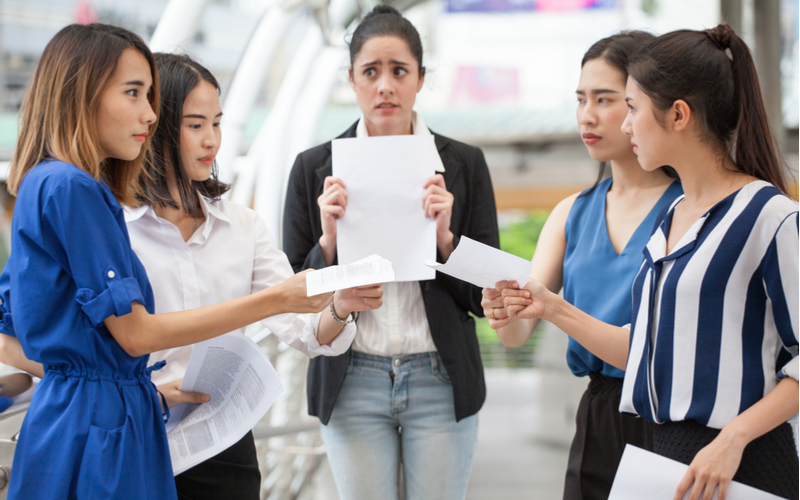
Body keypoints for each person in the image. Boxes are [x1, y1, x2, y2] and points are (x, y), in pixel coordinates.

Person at [0, 23, 340, 500]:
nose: (149, 114)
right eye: (135, 93)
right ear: (83, 92)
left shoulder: (43, 183)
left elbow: (30, 328)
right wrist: (274, 300)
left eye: (217, 123)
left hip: (90, 415)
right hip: (107, 423)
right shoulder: (78, 190)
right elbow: (135, 334)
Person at [502, 24, 798, 500]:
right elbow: (644, 351)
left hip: (742, 463)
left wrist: (734, 438)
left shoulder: (770, 215)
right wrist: (549, 307)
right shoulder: (673, 221)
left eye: (631, 107)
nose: (621, 124)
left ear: (678, 115)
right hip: (667, 454)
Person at [126, 52, 382, 500]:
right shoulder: (116, 227)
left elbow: (304, 331)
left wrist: (341, 307)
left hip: (222, 445)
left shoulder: (242, 227)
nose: (212, 141)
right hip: (139, 434)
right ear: (157, 126)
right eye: (195, 124)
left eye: (217, 123)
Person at [282, 5, 499, 499]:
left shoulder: (463, 165)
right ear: (351, 80)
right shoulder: (312, 168)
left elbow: (487, 294)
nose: (385, 86)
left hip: (437, 376)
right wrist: (328, 244)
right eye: (371, 72)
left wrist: (446, 240)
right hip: (351, 375)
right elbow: (292, 295)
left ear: (421, 78)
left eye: (399, 71)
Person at [481, 31, 682, 500]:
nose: (586, 116)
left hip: (671, 416)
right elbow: (516, 336)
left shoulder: (690, 208)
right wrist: (502, 311)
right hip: (598, 417)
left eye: (606, 99)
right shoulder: (571, 213)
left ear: (642, 103)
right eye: (580, 99)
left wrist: (547, 308)